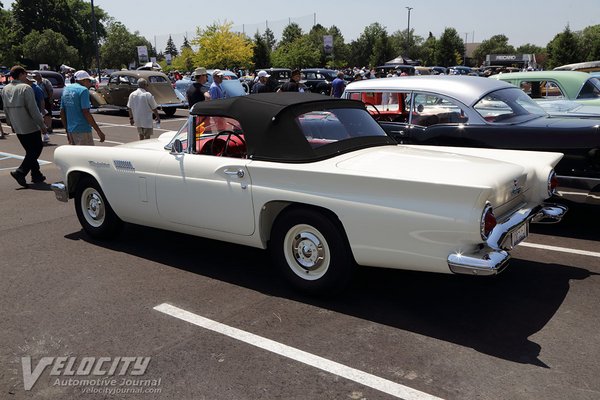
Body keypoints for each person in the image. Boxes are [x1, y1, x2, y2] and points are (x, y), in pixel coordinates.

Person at [1, 65, 48, 187]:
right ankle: (20, 172)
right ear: (21, 74)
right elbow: (33, 109)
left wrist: (10, 122)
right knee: (36, 149)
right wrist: (42, 125)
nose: (26, 76)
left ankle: (36, 174)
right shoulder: (26, 88)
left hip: (17, 124)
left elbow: (5, 108)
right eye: (25, 74)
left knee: (29, 150)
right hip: (29, 125)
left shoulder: (5, 89)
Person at [60, 70, 105, 146]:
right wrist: (98, 131)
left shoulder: (66, 89)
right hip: (82, 128)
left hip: (71, 129)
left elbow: (62, 111)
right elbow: (86, 112)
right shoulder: (83, 90)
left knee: (75, 155)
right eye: (89, 80)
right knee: (86, 155)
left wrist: (67, 130)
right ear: (83, 80)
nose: (90, 83)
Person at [31, 71, 53, 135]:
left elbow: (50, 90)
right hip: (38, 100)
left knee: (47, 114)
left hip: (46, 99)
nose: (34, 77)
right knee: (40, 113)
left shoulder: (45, 81)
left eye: (35, 76)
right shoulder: (34, 82)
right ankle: (42, 127)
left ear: (39, 76)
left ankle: (49, 127)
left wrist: (51, 98)